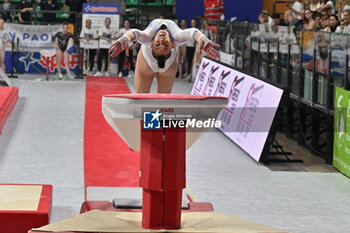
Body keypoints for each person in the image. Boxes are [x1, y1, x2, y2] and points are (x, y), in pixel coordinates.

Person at [109, 18, 220, 93]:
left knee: (160, 101)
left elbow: (135, 33)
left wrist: (124, 38)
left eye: (157, 45)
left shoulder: (148, 37)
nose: (161, 40)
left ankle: (156, 126)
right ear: (172, 45)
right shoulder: (177, 37)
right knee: (143, 99)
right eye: (165, 45)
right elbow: (192, 32)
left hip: (160, 63)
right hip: (152, 63)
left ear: (152, 44)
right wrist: (202, 38)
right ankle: (144, 126)